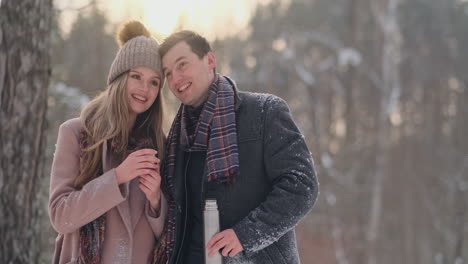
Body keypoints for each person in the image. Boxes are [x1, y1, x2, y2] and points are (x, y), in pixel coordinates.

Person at [157, 30, 319, 264]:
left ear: (210, 60)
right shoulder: (177, 139)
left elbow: (302, 185)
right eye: (168, 73)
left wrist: (245, 235)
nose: (175, 79)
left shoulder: (264, 112)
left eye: (182, 65)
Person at [48, 21, 168, 264]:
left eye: (154, 81)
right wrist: (117, 177)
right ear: (120, 78)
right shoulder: (74, 133)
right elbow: (61, 216)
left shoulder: (159, 144)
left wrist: (156, 201)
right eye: (136, 76)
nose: (145, 89)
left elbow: (171, 234)